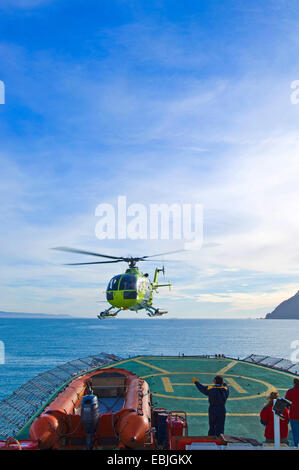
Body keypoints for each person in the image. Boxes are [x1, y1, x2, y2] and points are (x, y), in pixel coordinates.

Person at [285, 378, 299, 447]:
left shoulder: (290, 391)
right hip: (294, 416)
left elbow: (286, 404)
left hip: (294, 415)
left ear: (294, 383)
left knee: (295, 433)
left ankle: (297, 446)